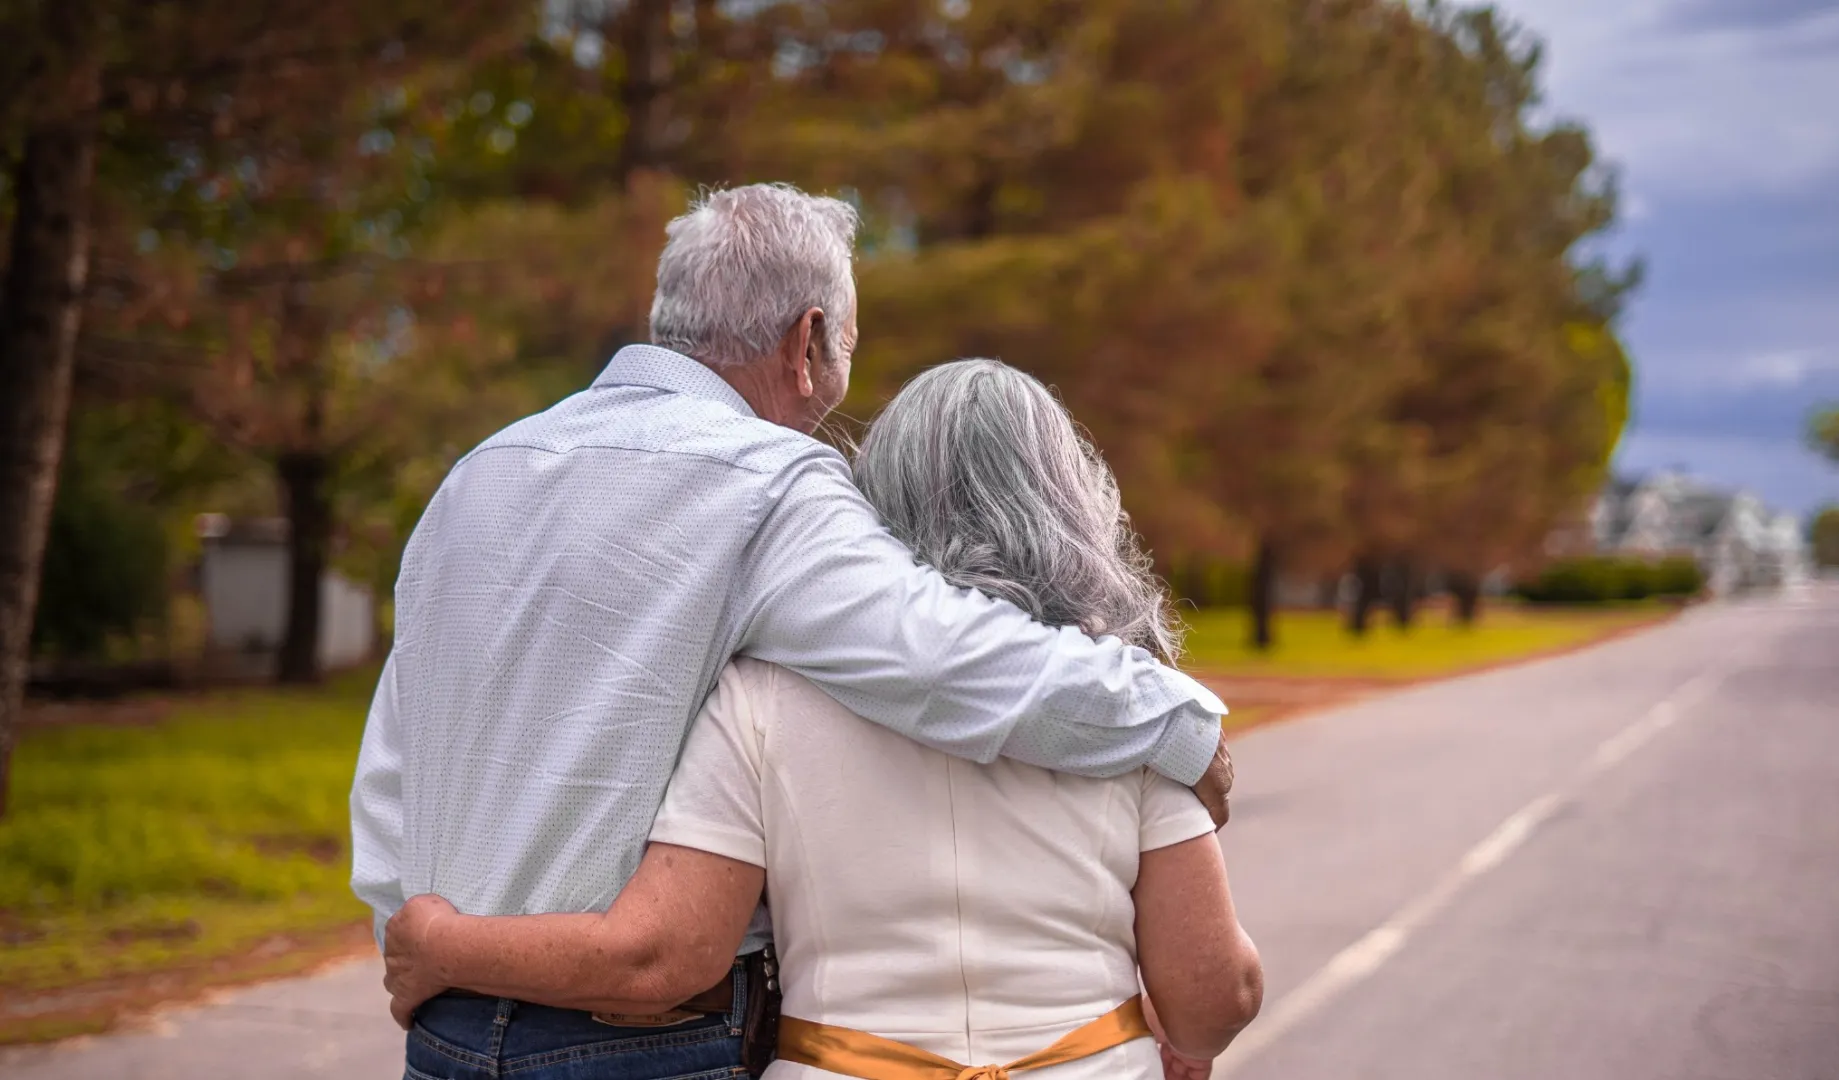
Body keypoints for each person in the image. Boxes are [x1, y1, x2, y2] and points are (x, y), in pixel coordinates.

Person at [349, 185, 1236, 1079]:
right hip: (650, 1039)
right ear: (807, 343)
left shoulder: (479, 474)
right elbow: (943, 659)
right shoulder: (772, 483)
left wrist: (423, 944)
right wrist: (1175, 718)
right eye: (848, 349)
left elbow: (395, 757)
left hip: (446, 1028)